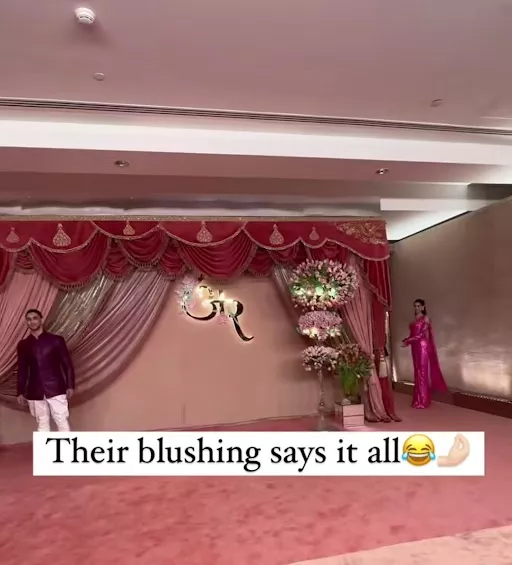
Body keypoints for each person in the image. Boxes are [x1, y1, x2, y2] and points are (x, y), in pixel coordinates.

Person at [17, 309, 75, 431]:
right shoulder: (23, 345)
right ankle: (44, 445)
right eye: (29, 319)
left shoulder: (56, 340)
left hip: (56, 387)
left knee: (61, 420)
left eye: (35, 318)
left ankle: (66, 444)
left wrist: (70, 385)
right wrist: (20, 391)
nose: (32, 321)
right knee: (42, 423)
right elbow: (22, 369)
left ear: (41, 320)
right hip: (35, 389)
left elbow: (67, 364)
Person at [401, 299, 447, 409]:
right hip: (415, 347)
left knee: (422, 372)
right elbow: (413, 334)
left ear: (423, 307)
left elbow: (421, 335)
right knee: (417, 372)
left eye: (418, 306)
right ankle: (418, 399)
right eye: (415, 306)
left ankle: (423, 401)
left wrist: (408, 341)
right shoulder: (415, 319)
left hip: (422, 346)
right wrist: (407, 340)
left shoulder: (425, 319)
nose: (416, 308)